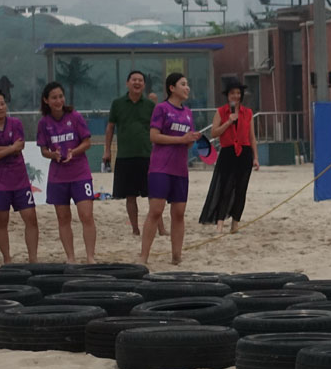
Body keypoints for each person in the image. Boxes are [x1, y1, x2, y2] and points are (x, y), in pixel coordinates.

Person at [139, 73, 198, 265]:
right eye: (183, 84)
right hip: (160, 167)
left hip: (180, 169)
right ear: (172, 88)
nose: (187, 88)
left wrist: (191, 140)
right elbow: (154, 136)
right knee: (156, 211)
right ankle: (143, 256)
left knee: (179, 213)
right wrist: (181, 139)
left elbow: (187, 142)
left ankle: (176, 256)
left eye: (187, 84)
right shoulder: (161, 109)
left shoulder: (188, 113)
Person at [37, 82, 96, 264]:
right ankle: (70, 257)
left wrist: (73, 152)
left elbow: (87, 142)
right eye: (54, 98)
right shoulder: (44, 123)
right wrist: (53, 155)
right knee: (63, 218)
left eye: (60, 96)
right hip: (58, 176)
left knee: (86, 215)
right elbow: (43, 150)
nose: (58, 101)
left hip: (80, 173)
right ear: (46, 100)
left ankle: (90, 257)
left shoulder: (75, 117)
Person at [0, 88, 39, 264]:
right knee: (1, 221)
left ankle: (33, 259)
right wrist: (10, 148)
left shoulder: (15, 123)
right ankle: (7, 259)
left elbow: (19, 147)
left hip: (20, 180)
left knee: (31, 218)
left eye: (3, 103)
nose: (1, 107)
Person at [104, 70, 166, 237]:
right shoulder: (117, 104)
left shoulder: (150, 105)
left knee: (153, 194)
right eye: (134, 80)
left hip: (147, 155)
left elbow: (158, 129)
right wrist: (107, 150)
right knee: (130, 196)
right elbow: (110, 128)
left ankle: (161, 229)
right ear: (127, 83)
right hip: (125, 156)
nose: (137, 83)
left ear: (144, 85)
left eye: (140, 80)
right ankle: (135, 229)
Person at [199, 79, 259, 233]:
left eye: (238, 93)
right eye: (233, 93)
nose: (236, 96)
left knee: (241, 189)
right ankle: (220, 223)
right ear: (227, 95)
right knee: (225, 188)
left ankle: (235, 222)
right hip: (228, 153)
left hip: (244, 153)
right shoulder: (221, 112)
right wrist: (228, 122)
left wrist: (255, 157)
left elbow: (252, 137)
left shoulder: (248, 113)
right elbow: (214, 133)